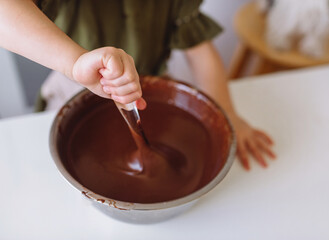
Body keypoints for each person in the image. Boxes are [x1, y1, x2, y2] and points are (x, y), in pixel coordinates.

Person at [0, 0, 276, 170]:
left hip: (149, 88)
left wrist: (229, 115)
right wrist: (75, 63)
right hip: (71, 87)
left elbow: (200, 51)